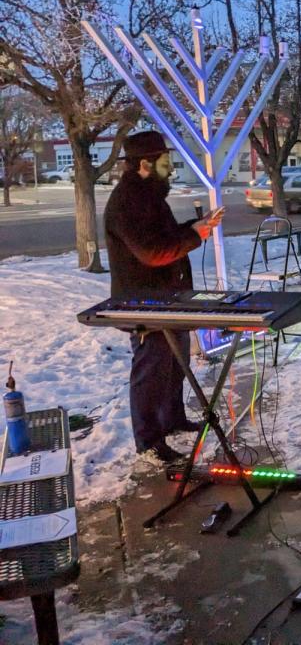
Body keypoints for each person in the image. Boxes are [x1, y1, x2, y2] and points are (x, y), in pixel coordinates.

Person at [104, 130, 225, 464]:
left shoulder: (149, 196)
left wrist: (195, 226)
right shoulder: (128, 201)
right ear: (145, 163)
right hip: (145, 303)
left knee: (175, 362)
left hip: (169, 298)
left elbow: (169, 236)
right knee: (151, 372)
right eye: (165, 162)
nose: (170, 169)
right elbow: (153, 252)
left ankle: (172, 419)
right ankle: (148, 442)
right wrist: (194, 235)